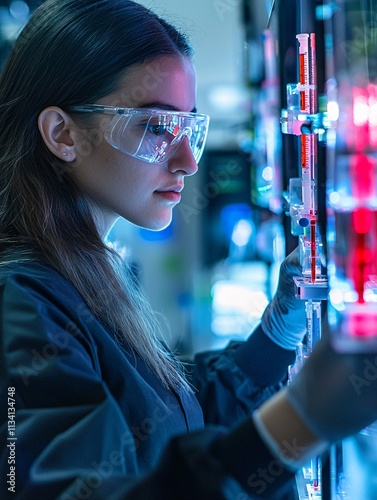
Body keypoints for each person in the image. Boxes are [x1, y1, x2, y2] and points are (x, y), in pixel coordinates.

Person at [0, 1, 376, 498]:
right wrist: (297, 425)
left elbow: (162, 419)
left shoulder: (79, 274)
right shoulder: (20, 305)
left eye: (189, 130)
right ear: (62, 134)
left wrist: (276, 337)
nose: (186, 162)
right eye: (157, 127)